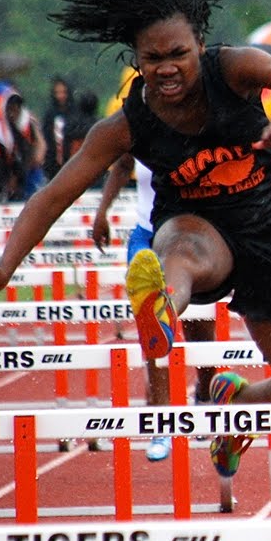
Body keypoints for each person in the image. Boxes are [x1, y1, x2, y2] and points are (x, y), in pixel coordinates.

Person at [0, 0, 271, 479]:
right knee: (182, 251)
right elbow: (53, 194)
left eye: (178, 54)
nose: (166, 68)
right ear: (135, 61)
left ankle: (238, 405)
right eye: (152, 58)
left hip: (267, 230)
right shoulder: (125, 124)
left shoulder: (234, 68)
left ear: (201, 46)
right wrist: (5, 266)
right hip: (194, 228)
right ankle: (161, 304)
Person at [93, 150, 216, 458]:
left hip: (192, 234)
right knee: (154, 322)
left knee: (199, 323)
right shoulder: (139, 120)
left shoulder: (200, 113)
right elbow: (121, 164)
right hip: (146, 235)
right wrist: (101, 212)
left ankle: (204, 393)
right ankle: (162, 422)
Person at [41, 77, 75, 179]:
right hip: (53, 161)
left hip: (71, 159)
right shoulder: (50, 114)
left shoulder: (74, 112)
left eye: (63, 92)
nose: (61, 96)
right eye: (57, 92)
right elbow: (47, 136)